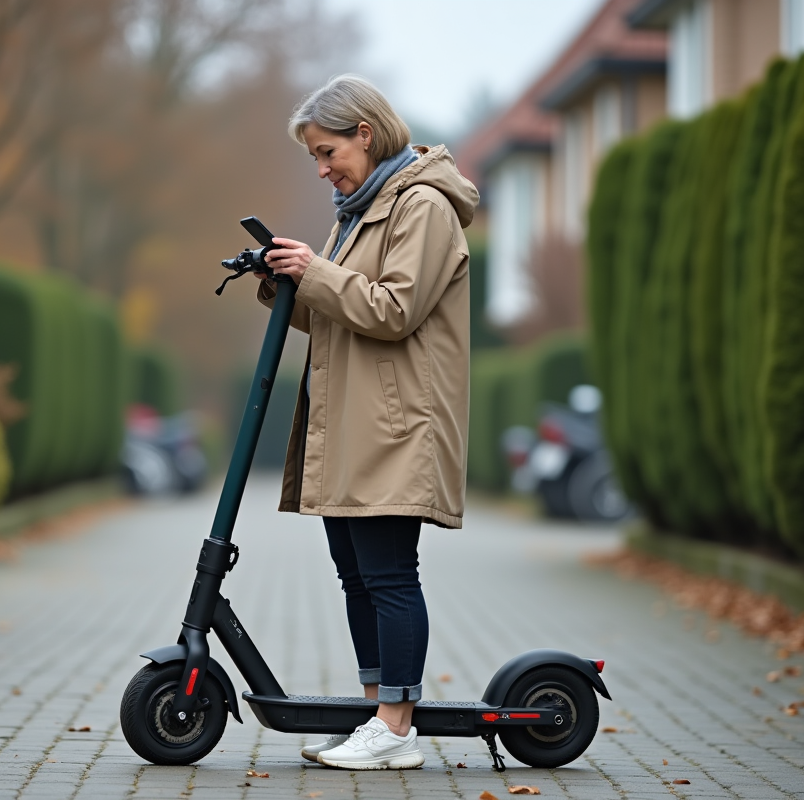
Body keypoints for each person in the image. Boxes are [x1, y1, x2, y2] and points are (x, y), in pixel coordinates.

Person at [254, 74, 479, 770]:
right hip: (355, 424)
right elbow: (338, 312)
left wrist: (316, 270)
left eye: (327, 152)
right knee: (357, 576)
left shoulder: (423, 207)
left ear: (365, 132)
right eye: (313, 160)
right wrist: (283, 280)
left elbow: (393, 309)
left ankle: (397, 730)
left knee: (388, 574)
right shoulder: (359, 209)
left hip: (395, 425)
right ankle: (378, 716)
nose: (323, 169)